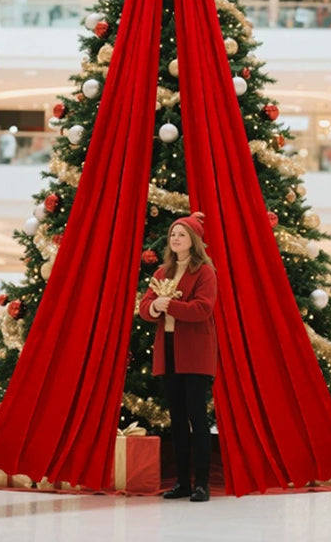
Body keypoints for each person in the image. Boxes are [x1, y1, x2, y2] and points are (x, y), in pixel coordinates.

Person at [139, 212, 217, 502]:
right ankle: (183, 482)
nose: (175, 239)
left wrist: (169, 305)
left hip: (195, 354)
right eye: (173, 235)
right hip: (168, 350)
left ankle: (202, 484)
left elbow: (202, 309)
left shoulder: (205, 272)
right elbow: (145, 308)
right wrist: (155, 306)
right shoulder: (162, 273)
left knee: (197, 418)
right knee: (177, 419)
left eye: (181, 235)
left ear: (193, 241)